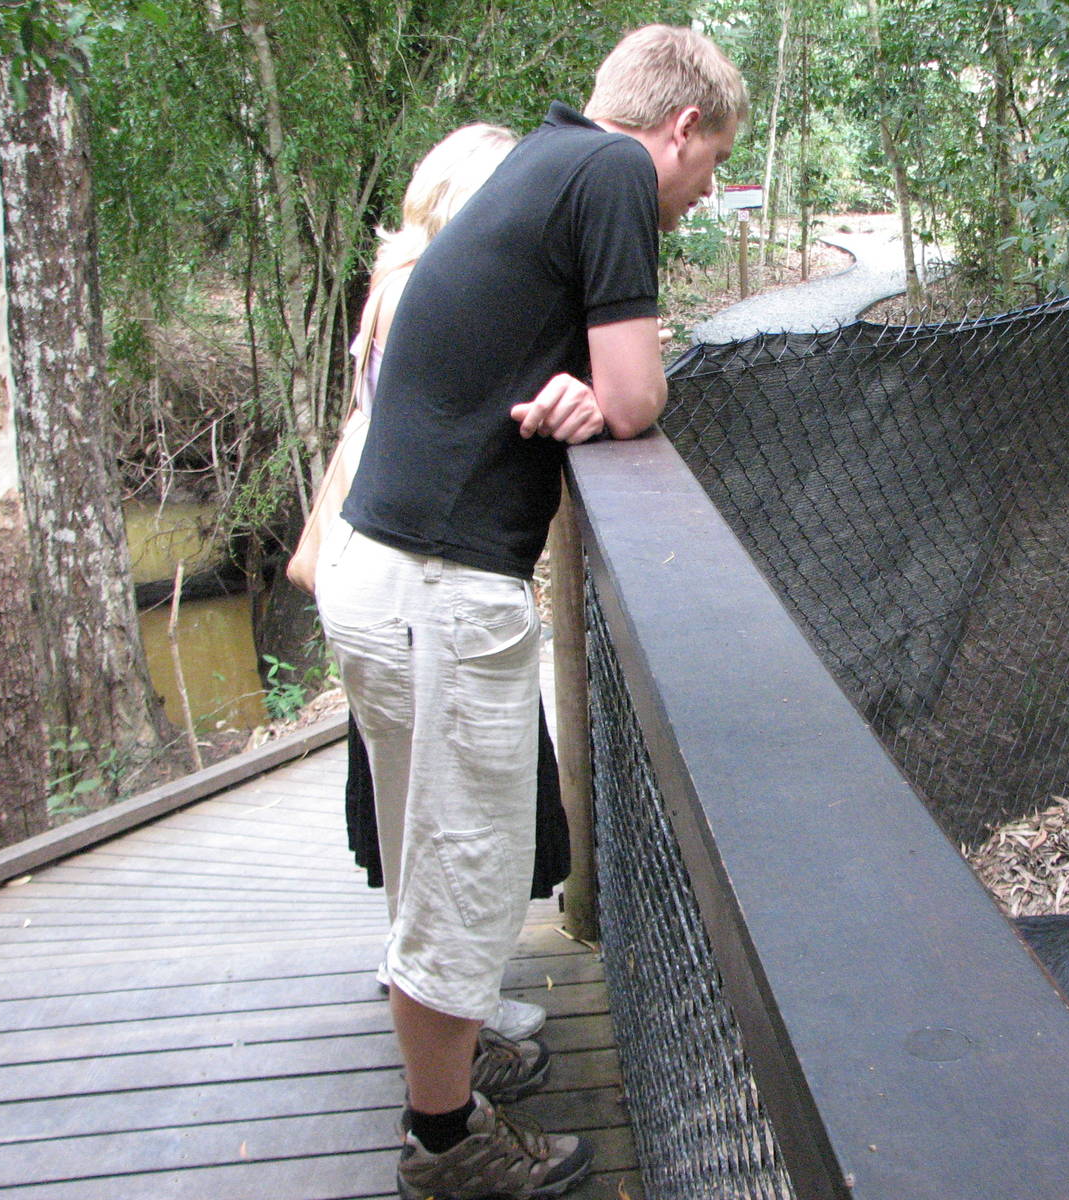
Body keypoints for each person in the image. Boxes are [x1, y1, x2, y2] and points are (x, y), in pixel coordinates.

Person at [316, 25, 746, 1200]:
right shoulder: (611, 172)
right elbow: (639, 393)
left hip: (384, 566)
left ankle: (451, 1053)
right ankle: (447, 1143)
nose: (700, 199)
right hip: (438, 586)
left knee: (430, 854)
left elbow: (581, 378)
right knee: (465, 868)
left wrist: (581, 393)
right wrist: (605, 399)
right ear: (678, 131)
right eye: (709, 170)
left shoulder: (540, 158)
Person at [333, 122, 563, 1047]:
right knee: (452, 827)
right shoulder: (425, 292)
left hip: (380, 570)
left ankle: (433, 1000)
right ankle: (447, 1050)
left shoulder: (399, 286)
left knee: (419, 810)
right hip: (422, 577)